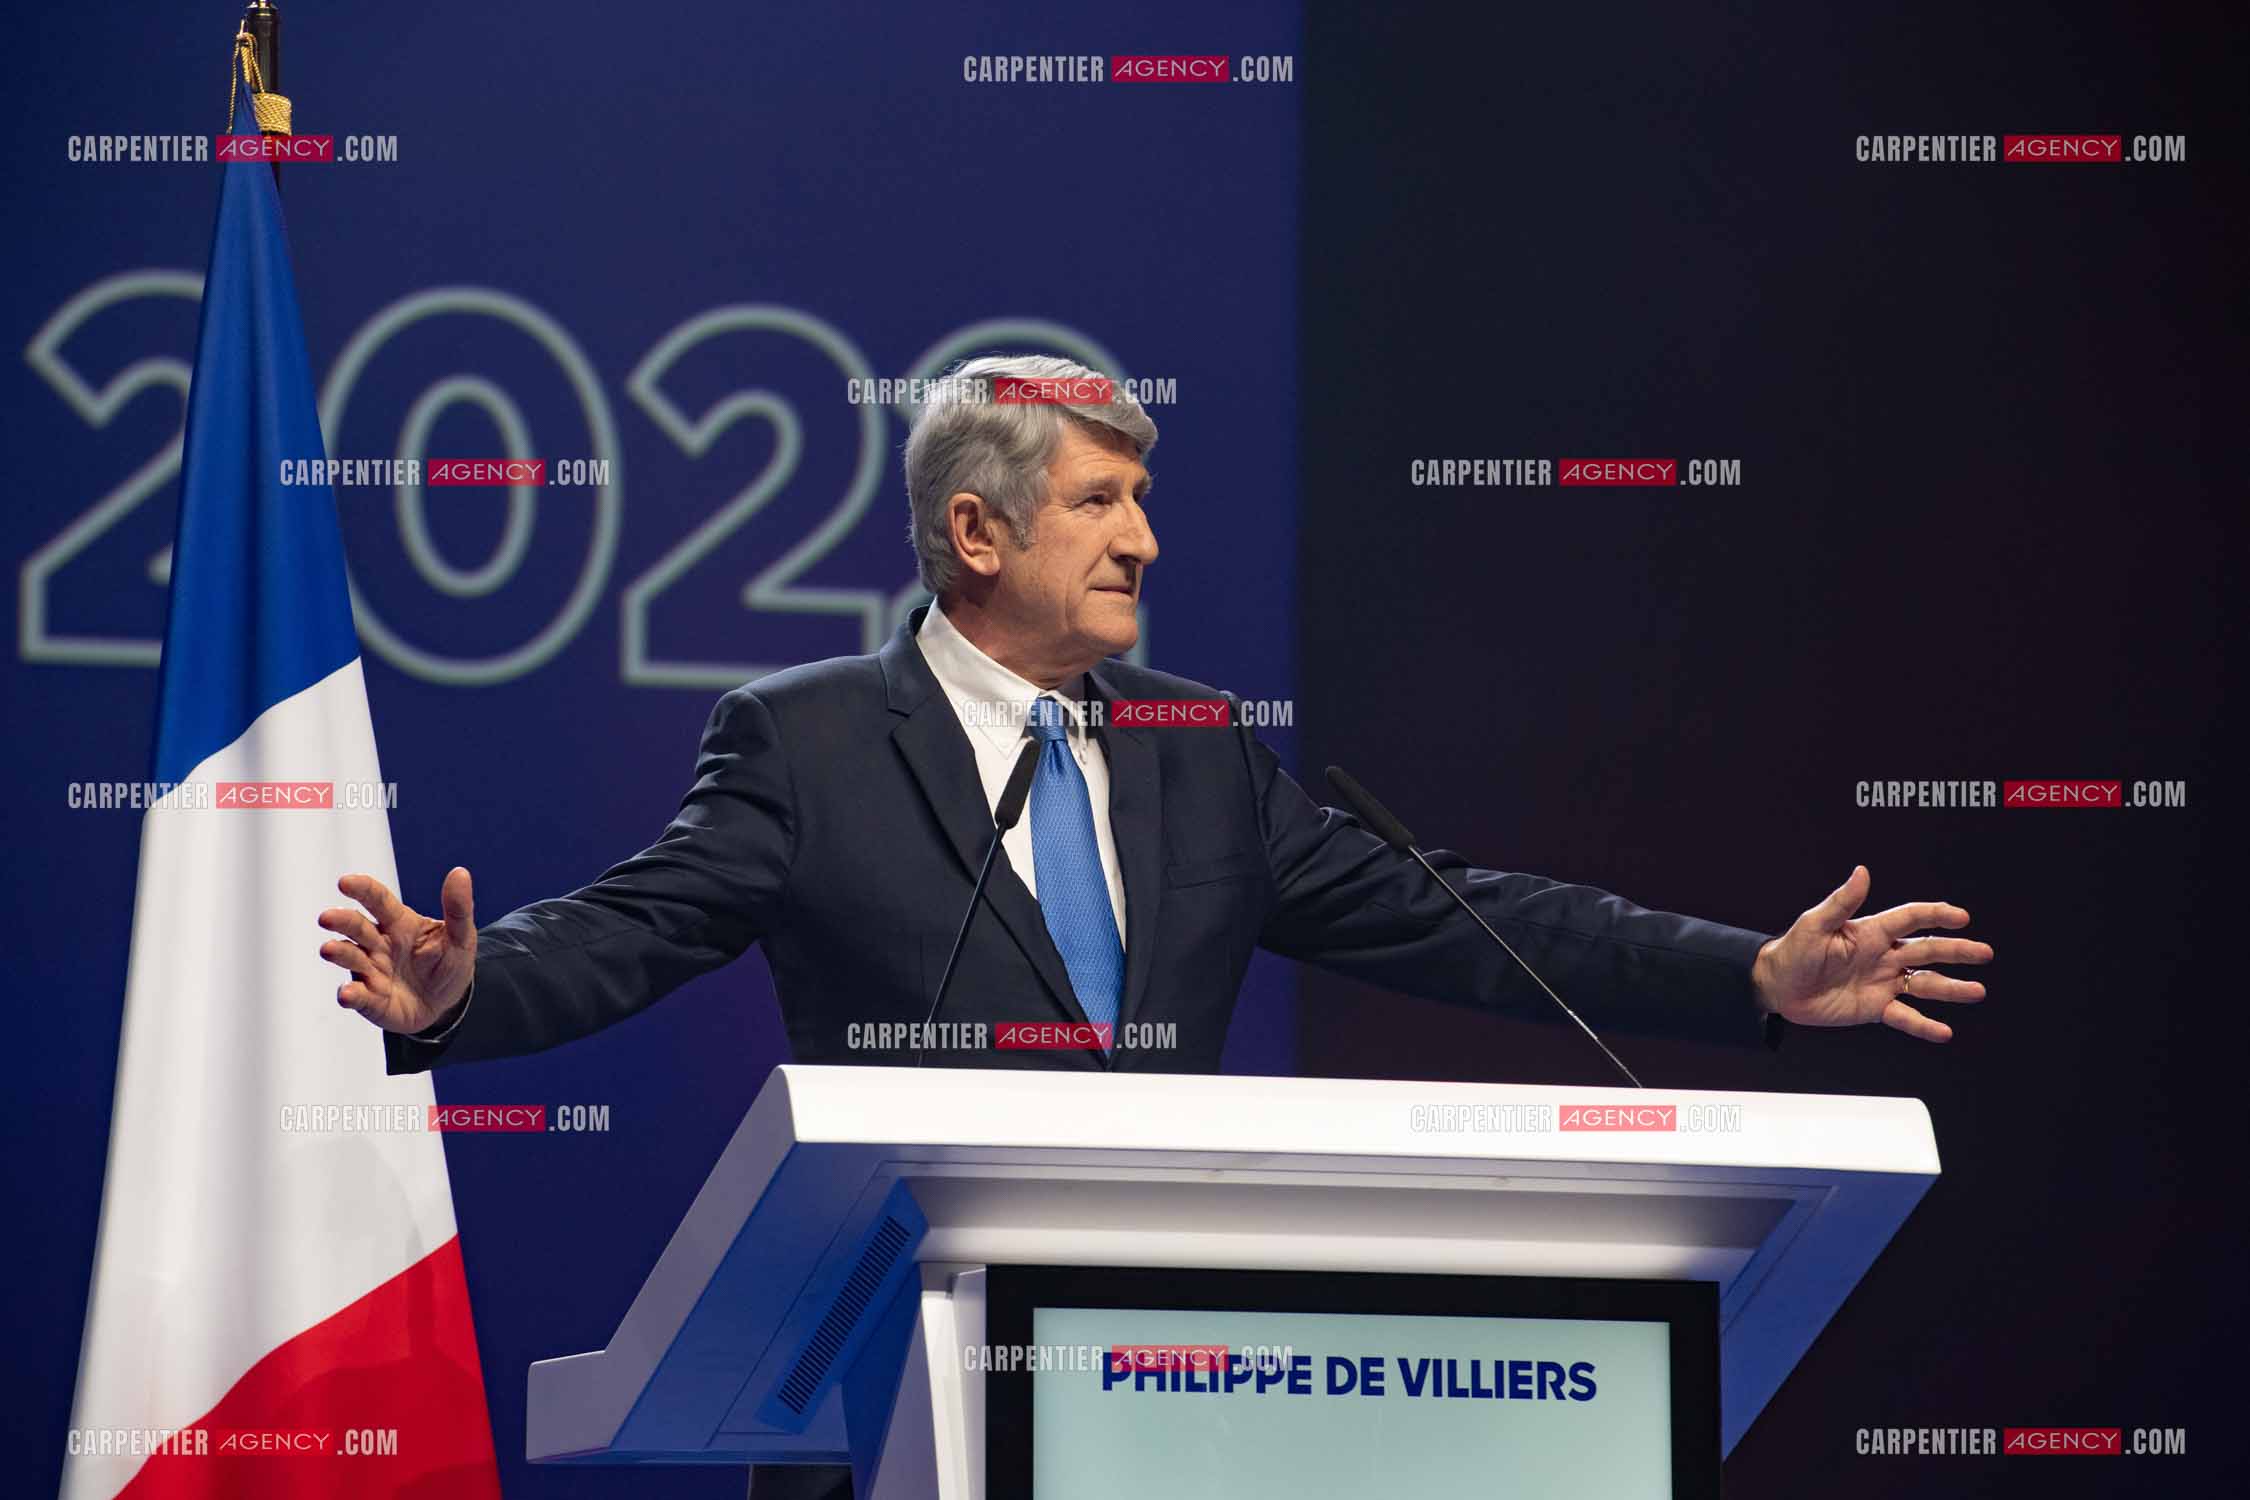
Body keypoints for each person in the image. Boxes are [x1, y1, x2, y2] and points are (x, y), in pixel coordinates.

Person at [319, 354, 1991, 1079]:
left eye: (1144, 498)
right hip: (911, 1317)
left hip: (1159, 1338)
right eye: (1099, 504)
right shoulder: (808, 741)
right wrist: (466, 997)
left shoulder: (1197, 746)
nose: (1144, 541)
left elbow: (1458, 916)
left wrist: (1748, 976)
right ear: (974, 533)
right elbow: (633, 929)